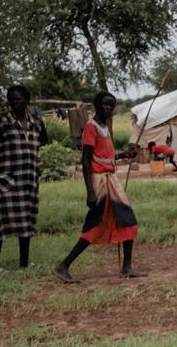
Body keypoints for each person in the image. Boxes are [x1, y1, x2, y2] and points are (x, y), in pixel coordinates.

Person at [53, 92, 145, 282]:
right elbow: (86, 160)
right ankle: (63, 266)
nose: (108, 109)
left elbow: (103, 156)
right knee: (95, 223)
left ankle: (127, 266)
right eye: (104, 105)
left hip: (111, 179)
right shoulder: (91, 127)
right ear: (96, 105)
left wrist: (123, 155)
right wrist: (90, 192)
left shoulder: (104, 127)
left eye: (111, 106)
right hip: (99, 181)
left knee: (127, 219)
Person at [0, 84, 48, 274]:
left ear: (27, 100)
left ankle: (24, 262)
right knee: (1, 222)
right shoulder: (1, 120)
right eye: (11, 99)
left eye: (18, 99)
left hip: (29, 179)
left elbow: (44, 141)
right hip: (6, 181)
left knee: (27, 220)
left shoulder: (36, 120)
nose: (14, 102)